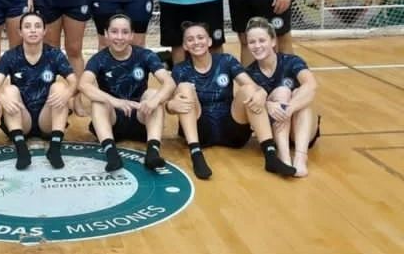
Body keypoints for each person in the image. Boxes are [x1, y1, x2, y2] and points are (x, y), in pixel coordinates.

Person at [167, 21, 297, 179]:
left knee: (249, 90)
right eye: (190, 39)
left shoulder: (226, 60)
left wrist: (262, 93)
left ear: (209, 41)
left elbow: (252, 85)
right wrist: (170, 105)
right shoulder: (180, 69)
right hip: (201, 130)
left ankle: (270, 156)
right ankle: (196, 154)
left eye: (200, 37)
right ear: (185, 46)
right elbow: (169, 103)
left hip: (232, 129)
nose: (196, 42)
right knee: (184, 88)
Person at [78, 14, 176, 172]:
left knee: (152, 94)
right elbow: (83, 84)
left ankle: (153, 152)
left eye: (124, 32)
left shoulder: (145, 55)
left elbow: (169, 83)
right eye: (114, 31)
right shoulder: (99, 59)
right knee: (98, 101)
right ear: (106, 34)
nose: (119, 37)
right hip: (113, 121)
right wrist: (115, 101)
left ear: (131, 35)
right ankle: (111, 154)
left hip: (141, 117)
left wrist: (155, 100)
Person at [0, 11, 77, 170]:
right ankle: (21, 150)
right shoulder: (10, 56)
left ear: (44, 31)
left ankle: (55, 148)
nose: (32, 30)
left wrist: (67, 93)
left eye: (37, 26)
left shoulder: (54, 54)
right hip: (22, 118)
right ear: (20, 32)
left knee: (60, 87)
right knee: (9, 90)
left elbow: (73, 81)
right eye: (27, 26)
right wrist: (2, 99)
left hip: (46, 118)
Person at [245, 17, 320, 177]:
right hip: (274, 131)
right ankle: (284, 157)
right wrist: (268, 105)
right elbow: (247, 102)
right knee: (282, 92)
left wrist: (290, 107)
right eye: (252, 42)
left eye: (261, 40)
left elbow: (311, 85)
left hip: (302, 128)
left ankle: (300, 157)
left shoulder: (291, 61)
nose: (257, 46)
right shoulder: (249, 73)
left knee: (298, 93)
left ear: (273, 41)